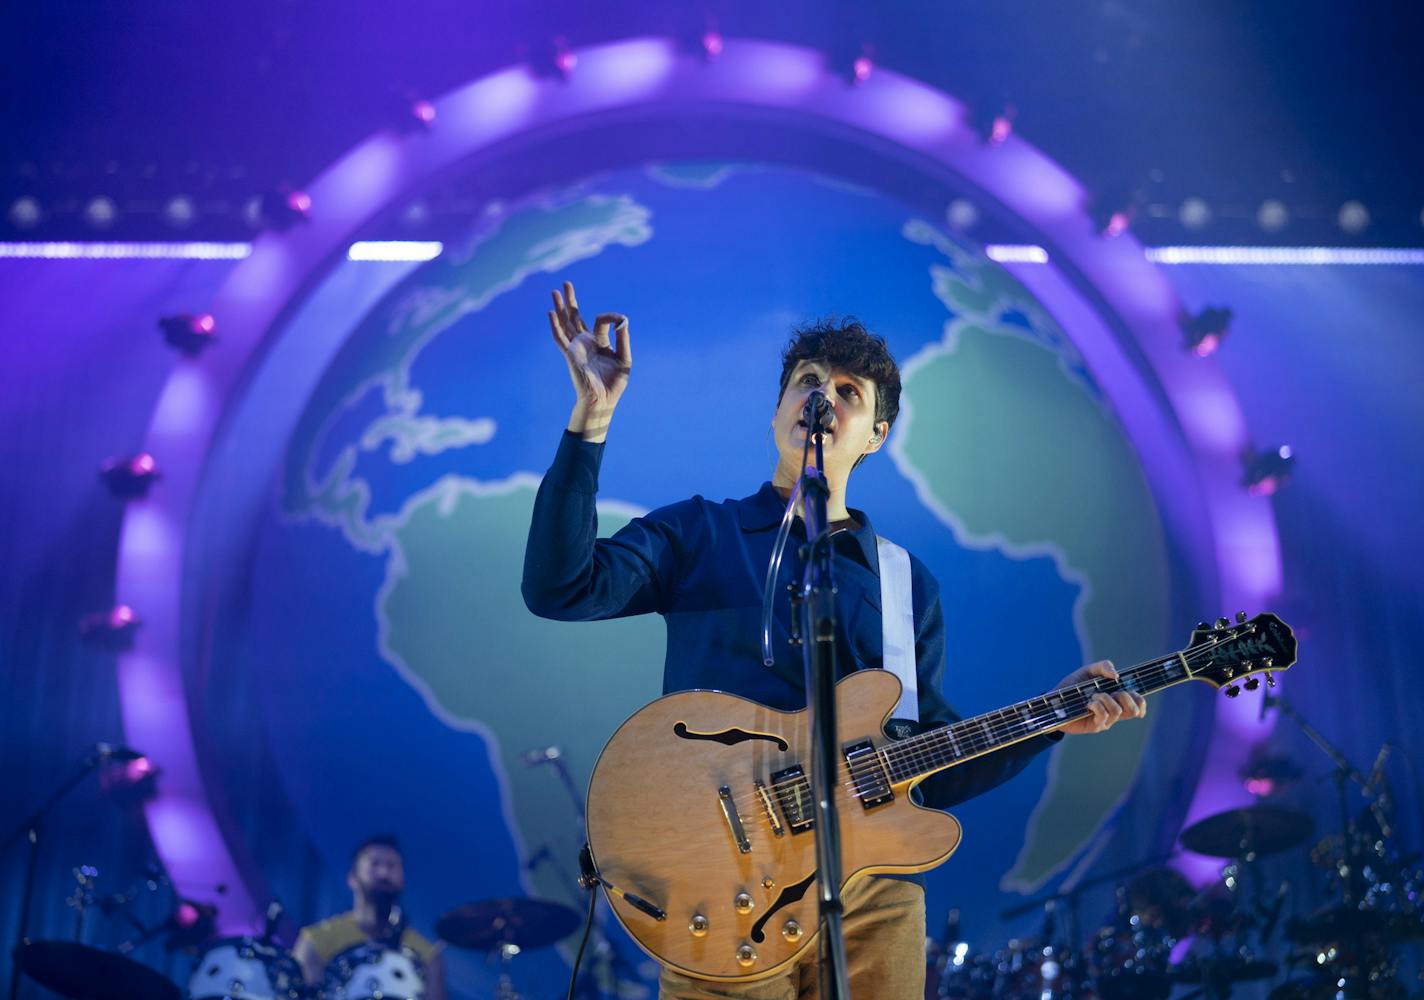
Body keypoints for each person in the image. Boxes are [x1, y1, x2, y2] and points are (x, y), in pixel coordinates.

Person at [522, 281, 1147, 1000]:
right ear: (780, 408)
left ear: (876, 433)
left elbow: (926, 761)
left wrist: (1050, 721)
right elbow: (558, 588)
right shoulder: (699, 533)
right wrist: (590, 421)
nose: (823, 396)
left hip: (872, 895)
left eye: (849, 391)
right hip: (725, 886)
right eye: (807, 382)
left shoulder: (903, 582)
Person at [294, 835, 446, 1000]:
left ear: (402, 880)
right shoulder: (315, 940)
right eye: (374, 864)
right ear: (352, 878)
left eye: (392, 865)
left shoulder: (427, 955)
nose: (384, 872)